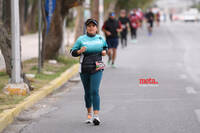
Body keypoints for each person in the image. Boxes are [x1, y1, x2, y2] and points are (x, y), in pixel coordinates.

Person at [70, 18, 108, 126]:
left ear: (96, 28)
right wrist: (79, 51)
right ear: (86, 27)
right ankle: (89, 114)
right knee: (87, 92)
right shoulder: (81, 39)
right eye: (89, 26)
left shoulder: (101, 38)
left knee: (94, 90)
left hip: (98, 66)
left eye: (93, 26)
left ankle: (96, 116)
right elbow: (72, 52)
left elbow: (105, 47)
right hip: (84, 67)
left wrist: (104, 52)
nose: (91, 28)